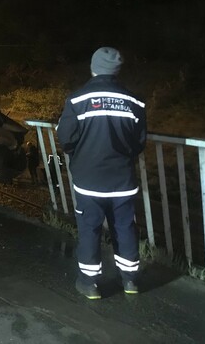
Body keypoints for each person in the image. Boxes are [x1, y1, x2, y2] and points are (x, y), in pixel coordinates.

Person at [57, 47, 147, 299]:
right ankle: (130, 280)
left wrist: (80, 155)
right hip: (123, 180)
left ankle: (89, 283)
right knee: (125, 227)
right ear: (117, 70)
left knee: (90, 229)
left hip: (88, 182)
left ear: (93, 67)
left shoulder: (77, 100)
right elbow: (139, 142)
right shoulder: (135, 102)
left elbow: (65, 139)